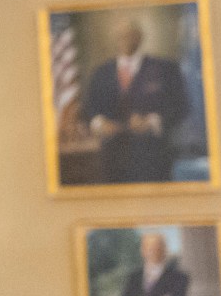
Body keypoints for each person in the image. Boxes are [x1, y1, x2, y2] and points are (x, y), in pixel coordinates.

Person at [80, 21, 189, 184]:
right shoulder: (101, 72)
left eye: (129, 36)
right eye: (120, 36)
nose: (124, 40)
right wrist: (100, 123)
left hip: (153, 158)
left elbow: (181, 106)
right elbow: (88, 110)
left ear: (139, 38)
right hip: (112, 160)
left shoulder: (165, 68)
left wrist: (151, 121)